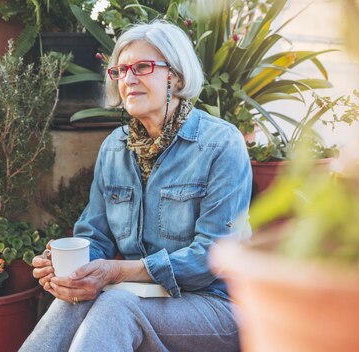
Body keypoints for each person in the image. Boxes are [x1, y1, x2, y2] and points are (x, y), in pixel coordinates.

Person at [20, 20, 251, 352]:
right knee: (74, 302)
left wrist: (116, 272)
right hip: (142, 297)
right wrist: (67, 269)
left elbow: (213, 257)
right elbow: (94, 236)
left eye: (142, 67)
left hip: (216, 306)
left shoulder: (220, 144)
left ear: (176, 76)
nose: (128, 79)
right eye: (121, 70)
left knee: (116, 305)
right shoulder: (115, 147)